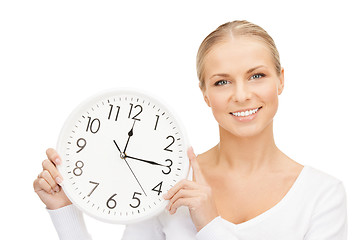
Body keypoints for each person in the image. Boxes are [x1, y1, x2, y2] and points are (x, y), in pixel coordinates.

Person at [33, 20, 347, 239]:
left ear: (280, 79)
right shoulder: (166, 184)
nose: (241, 95)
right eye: (222, 81)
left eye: (257, 75)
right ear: (205, 93)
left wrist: (210, 224)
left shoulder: (322, 195)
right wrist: (64, 210)